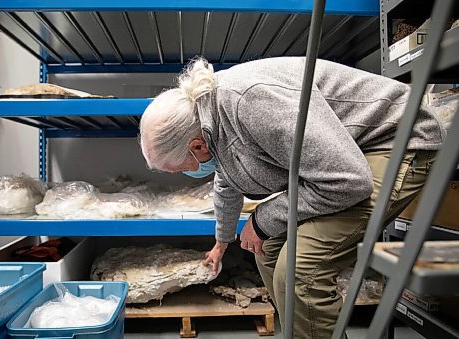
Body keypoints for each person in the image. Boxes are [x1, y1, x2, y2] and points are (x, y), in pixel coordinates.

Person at [139, 56, 445, 338]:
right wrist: (222, 241)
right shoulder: (210, 119)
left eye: (182, 168)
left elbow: (347, 180)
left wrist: (262, 219)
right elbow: (226, 179)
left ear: (197, 146)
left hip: (396, 140)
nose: (188, 172)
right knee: (268, 250)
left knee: (300, 269)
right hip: (349, 156)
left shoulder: (250, 102)